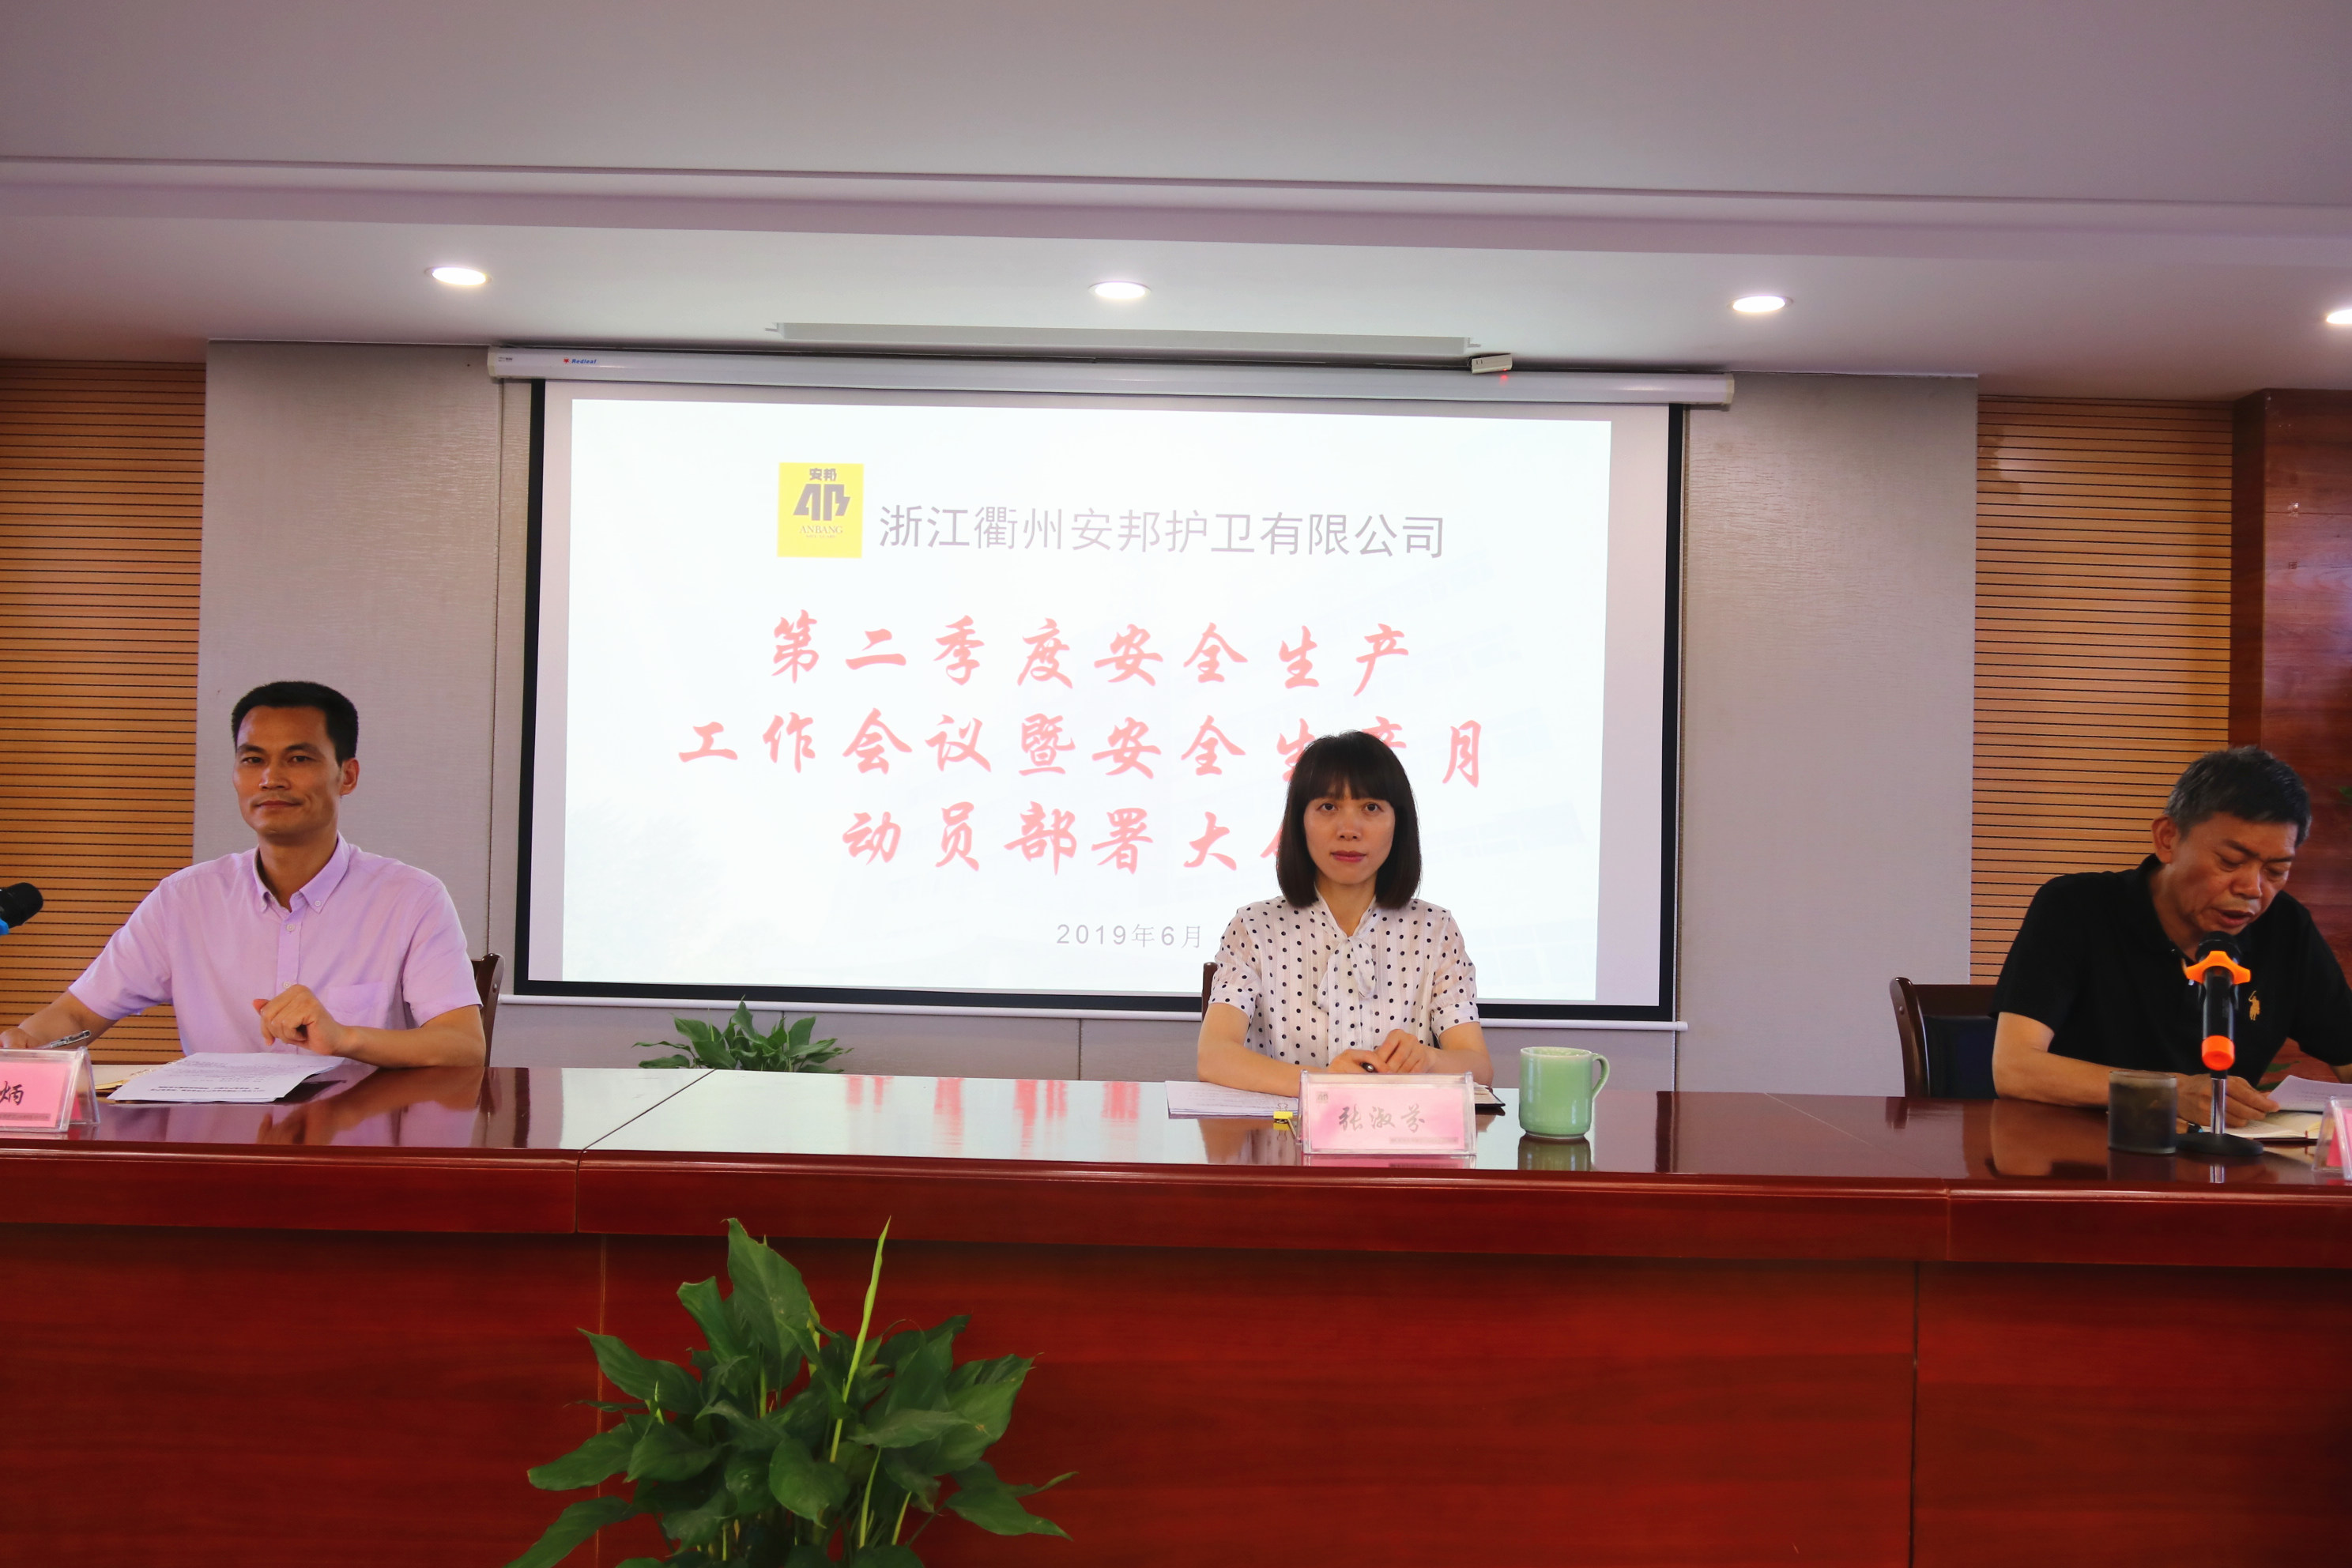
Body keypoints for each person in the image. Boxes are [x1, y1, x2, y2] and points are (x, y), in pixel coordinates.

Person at [0, 681, 486, 1067]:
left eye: (298, 758)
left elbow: (463, 1046)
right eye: (253, 760)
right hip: (218, 1143)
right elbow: (76, 1015)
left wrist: (345, 1038)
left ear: (348, 775)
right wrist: (25, 1042)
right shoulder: (184, 900)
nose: (271, 778)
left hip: (355, 1145)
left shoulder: (411, 898)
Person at [1990, 746, 2352, 1128]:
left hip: (2219, 1159)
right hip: (2077, 1151)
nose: (2252, 888)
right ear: (2167, 839)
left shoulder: (2285, 926)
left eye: (2275, 871)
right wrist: (2170, 1091)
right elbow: (2015, 1068)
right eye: (2230, 862)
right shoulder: (2076, 907)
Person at [1197, 729, 1491, 1093]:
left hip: (1397, 1129)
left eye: (1371, 808)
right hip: (1284, 1128)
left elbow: (1478, 1067)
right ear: (1299, 822)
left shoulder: (1435, 929)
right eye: (1328, 807)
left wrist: (1430, 1060)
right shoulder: (1254, 928)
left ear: (1398, 823)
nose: (1349, 830)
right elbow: (1213, 1056)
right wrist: (1325, 1084)